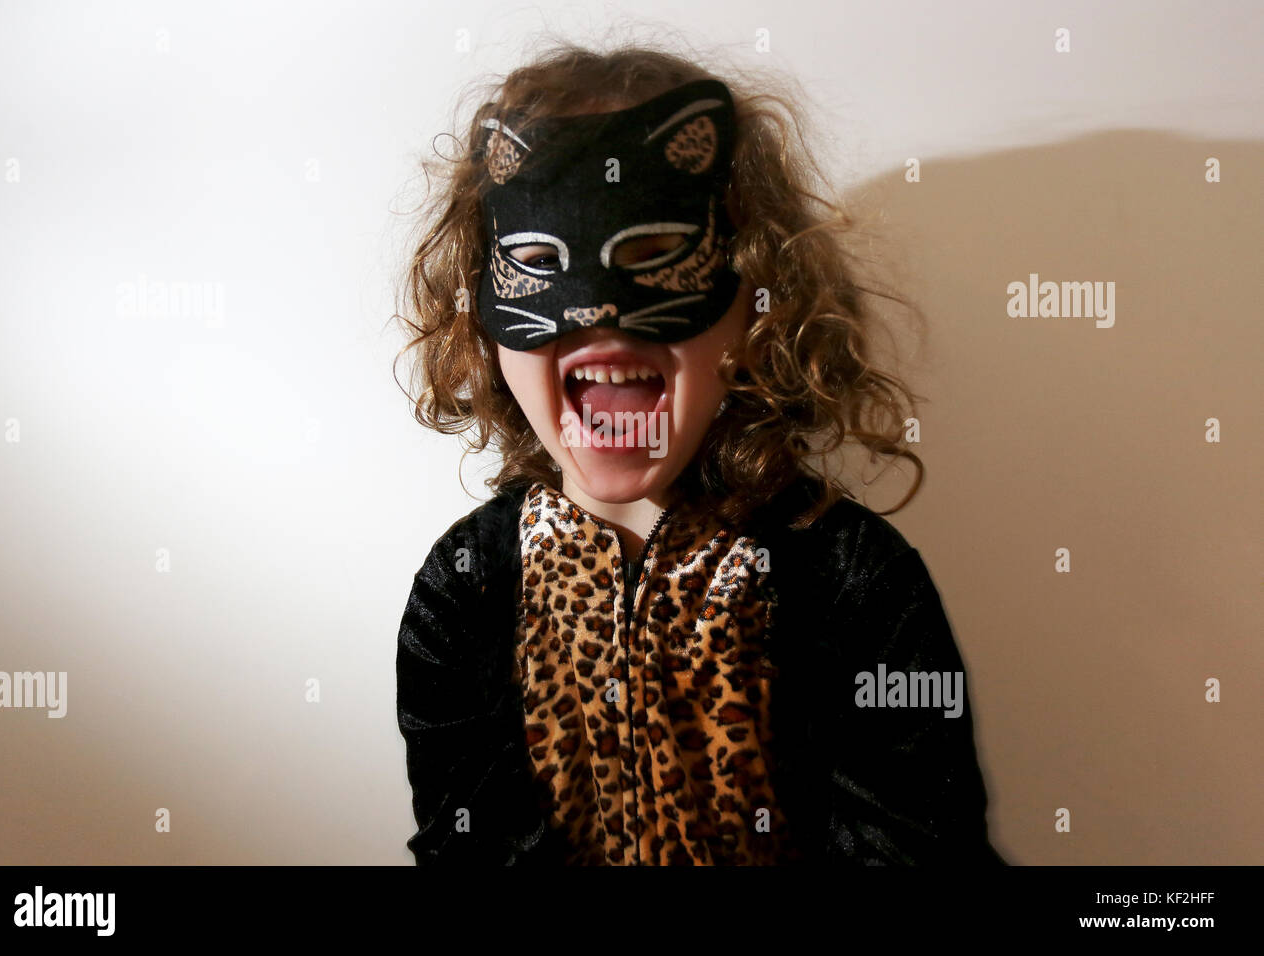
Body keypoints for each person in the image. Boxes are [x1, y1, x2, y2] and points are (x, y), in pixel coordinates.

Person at [393, 42, 1004, 866]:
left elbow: (918, 851)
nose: (600, 317)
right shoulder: (464, 587)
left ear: (757, 299)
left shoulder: (852, 578)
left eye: (653, 255)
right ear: (481, 306)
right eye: (538, 262)